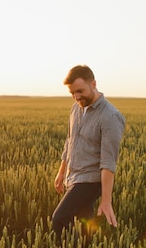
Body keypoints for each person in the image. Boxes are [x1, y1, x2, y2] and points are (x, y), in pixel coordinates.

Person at [52, 65, 125, 236]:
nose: (77, 97)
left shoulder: (110, 116)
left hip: (91, 180)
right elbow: (70, 141)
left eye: (80, 91)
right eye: (72, 93)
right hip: (74, 175)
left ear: (93, 84)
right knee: (85, 223)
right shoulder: (76, 108)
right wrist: (61, 172)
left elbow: (108, 161)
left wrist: (106, 201)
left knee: (59, 219)